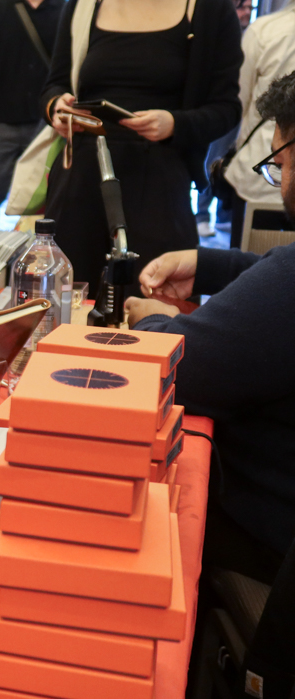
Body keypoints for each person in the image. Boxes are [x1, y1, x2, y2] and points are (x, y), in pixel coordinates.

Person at [125, 71, 295, 583]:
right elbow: (271, 286)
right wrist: (210, 266)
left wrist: (156, 320)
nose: (280, 180)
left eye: (280, 163)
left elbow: (176, 364)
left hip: (263, 543)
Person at [41, 0, 243, 297]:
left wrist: (175, 123)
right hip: (82, 177)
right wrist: (56, 108)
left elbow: (227, 108)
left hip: (159, 182)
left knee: (155, 299)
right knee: (67, 300)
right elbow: (54, 84)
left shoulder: (209, 10)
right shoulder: (84, 5)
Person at [0, 0, 64, 247]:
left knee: (46, 199)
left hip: (48, 125)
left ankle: (42, 257)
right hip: (1, 121)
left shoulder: (64, 8)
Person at [224, 0, 295, 247]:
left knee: (248, 270)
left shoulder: (265, 31)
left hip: (259, 175)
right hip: (263, 174)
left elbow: (237, 102)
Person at [194, 0, 257, 240]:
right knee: (213, 162)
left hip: (246, 115)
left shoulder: (252, 34)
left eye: (250, 9)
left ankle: (223, 215)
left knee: (232, 163)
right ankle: (200, 215)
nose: (246, 14)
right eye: (242, 8)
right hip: (224, 113)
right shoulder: (220, 34)